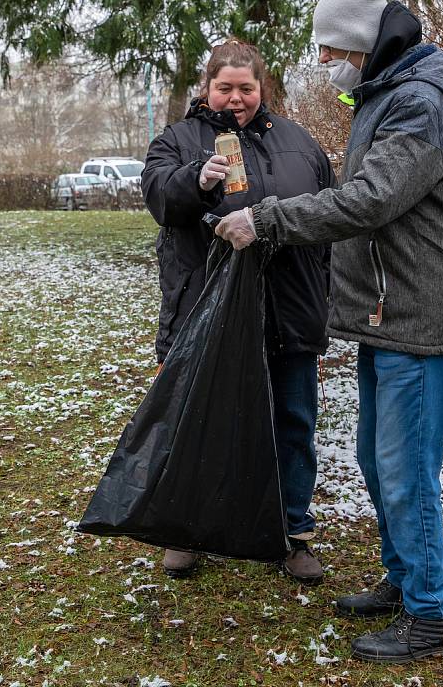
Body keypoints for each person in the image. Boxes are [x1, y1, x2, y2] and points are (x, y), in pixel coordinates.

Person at [216, 0, 443, 663]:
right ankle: (403, 580)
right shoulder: (384, 96)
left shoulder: (418, 105)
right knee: (376, 459)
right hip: (385, 309)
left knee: (404, 471)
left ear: (365, 43)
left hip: (418, 316)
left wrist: (267, 219)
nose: (328, 61)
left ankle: (432, 620)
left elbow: (369, 200)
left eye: (334, 48)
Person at [141, 39, 336, 584]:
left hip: (290, 312)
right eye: (224, 87)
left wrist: (327, 295)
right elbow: (159, 197)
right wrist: (195, 182)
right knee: (196, 423)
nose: (235, 98)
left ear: (262, 88)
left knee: (292, 424)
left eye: (245, 88)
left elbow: (329, 216)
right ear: (207, 88)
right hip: (205, 316)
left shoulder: (300, 144)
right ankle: (184, 530)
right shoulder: (177, 140)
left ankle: (292, 532)